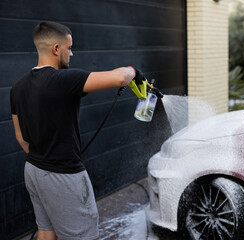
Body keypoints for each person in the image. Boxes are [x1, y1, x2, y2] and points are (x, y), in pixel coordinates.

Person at [10, 21, 146, 240]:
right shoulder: (64, 80)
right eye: (69, 48)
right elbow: (120, 77)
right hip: (63, 175)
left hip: (34, 170)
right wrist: (134, 71)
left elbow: (20, 137)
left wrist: (43, 159)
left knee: (46, 232)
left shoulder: (17, 87)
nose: (71, 54)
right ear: (56, 48)